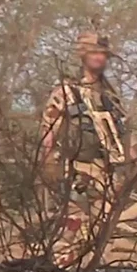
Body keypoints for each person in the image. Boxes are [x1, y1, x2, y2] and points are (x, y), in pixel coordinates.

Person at [39, 30, 129, 237]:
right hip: (76, 171)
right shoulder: (67, 92)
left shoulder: (109, 97)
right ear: (83, 55)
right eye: (94, 52)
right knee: (72, 230)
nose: (99, 57)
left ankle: (97, 269)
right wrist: (50, 168)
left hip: (106, 174)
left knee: (104, 234)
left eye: (103, 53)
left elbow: (121, 135)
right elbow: (48, 132)